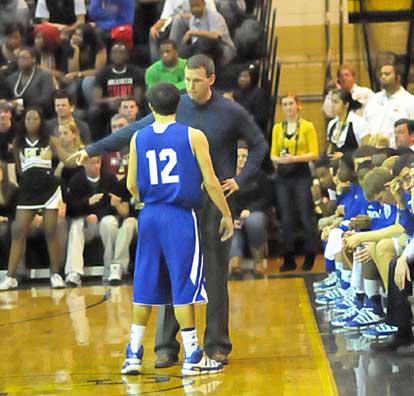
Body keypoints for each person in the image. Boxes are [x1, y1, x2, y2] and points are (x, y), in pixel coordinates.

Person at [68, 54, 267, 366]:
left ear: (212, 79)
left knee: (214, 275)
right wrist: (92, 149)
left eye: (197, 80)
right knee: (170, 272)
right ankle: (165, 346)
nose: (190, 86)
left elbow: (259, 146)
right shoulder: (176, 106)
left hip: (213, 203)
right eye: (187, 80)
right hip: (178, 206)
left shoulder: (232, 111)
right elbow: (132, 130)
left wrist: (240, 181)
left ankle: (216, 345)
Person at [121, 81, 233, 376]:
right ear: (179, 105)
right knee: (184, 285)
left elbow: (131, 184)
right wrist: (226, 214)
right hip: (179, 217)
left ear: (149, 108)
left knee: (144, 284)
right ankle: (194, 353)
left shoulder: (138, 138)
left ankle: (133, 353)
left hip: (149, 216)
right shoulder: (194, 135)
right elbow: (210, 182)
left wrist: (150, 197)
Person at [0, 107, 70, 290]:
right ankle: (10, 276)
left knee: (50, 230)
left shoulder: (51, 141)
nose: (32, 122)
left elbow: (67, 160)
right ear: (24, 122)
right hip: (29, 190)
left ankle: (55, 274)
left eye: (35, 119)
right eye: (28, 119)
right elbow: (20, 169)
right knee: (18, 230)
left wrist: (84, 154)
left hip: (49, 188)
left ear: (41, 121)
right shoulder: (17, 143)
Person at [271, 93, 319, 271]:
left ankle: (309, 255)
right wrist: (281, 160)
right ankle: (288, 257)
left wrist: (295, 158)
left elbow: (314, 153)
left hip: (301, 172)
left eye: (291, 103)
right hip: (283, 174)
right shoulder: (278, 128)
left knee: (305, 214)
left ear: (298, 105)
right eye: (284, 104)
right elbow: (273, 153)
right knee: (286, 217)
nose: (288, 107)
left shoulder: (307, 126)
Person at [64, 156, 128, 286]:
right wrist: (87, 205)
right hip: (86, 222)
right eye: (92, 163)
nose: (96, 166)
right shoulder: (76, 181)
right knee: (76, 226)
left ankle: (111, 269)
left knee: (110, 223)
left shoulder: (110, 178)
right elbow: (71, 209)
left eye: (98, 162)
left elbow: (113, 205)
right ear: (84, 164)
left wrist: (98, 215)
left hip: (104, 219)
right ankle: (73, 272)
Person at [169, 0, 237, 67]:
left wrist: (192, 32)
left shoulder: (214, 16)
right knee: (182, 52)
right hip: (203, 50)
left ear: (204, 4)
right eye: (192, 6)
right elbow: (195, 43)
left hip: (223, 50)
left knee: (204, 42)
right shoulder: (192, 20)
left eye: (198, 5)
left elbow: (215, 36)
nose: (195, 9)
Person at [364, 63, 414, 148]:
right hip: (372, 150)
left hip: (396, 151)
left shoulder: (409, 100)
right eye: (381, 74)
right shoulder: (374, 99)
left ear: (398, 78)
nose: (383, 77)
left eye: (387, 74)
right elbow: (365, 124)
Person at [6, 47, 55, 116]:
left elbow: (46, 100)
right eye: (19, 58)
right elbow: (7, 99)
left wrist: (20, 103)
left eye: (24, 58)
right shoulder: (11, 78)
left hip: (39, 115)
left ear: (33, 59)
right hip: (15, 117)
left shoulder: (44, 76)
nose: (21, 60)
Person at [326, 88, 371, 159]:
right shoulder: (332, 124)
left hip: (353, 164)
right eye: (332, 102)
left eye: (336, 102)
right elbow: (330, 147)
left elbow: (367, 151)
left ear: (346, 104)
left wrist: (345, 156)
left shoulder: (359, 122)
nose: (332, 105)